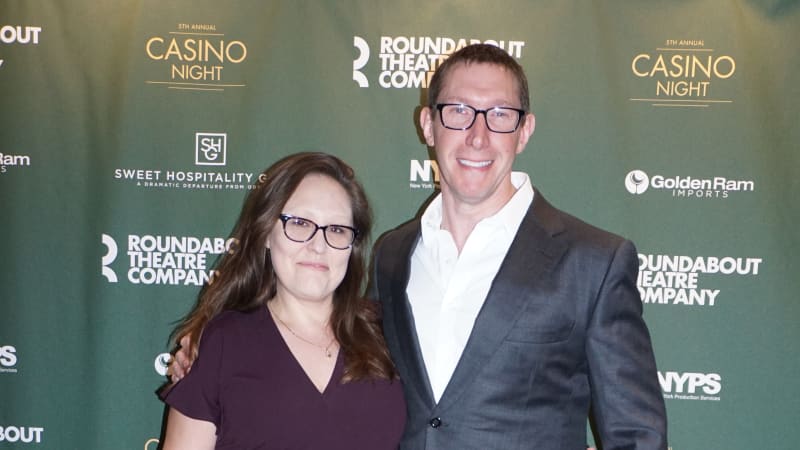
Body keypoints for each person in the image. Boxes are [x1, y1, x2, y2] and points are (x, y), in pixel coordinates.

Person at [172, 44, 668, 449]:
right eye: (458, 112)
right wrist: (208, 342)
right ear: (428, 125)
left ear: (525, 131)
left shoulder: (592, 261)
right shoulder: (393, 255)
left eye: (499, 115)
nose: (477, 135)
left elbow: (635, 437)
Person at [159, 152, 406, 449]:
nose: (318, 245)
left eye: (337, 230)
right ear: (265, 233)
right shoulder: (224, 343)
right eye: (300, 223)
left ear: (352, 246)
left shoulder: (391, 336)